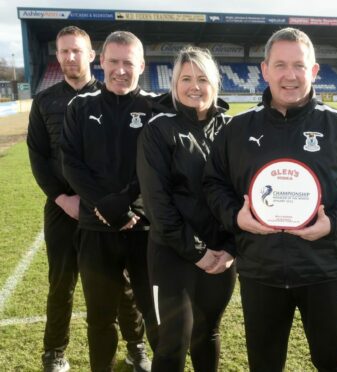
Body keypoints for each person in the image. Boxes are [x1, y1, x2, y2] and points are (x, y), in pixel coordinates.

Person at [204, 27, 337, 371]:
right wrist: (235, 217)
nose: (290, 75)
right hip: (261, 272)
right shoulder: (237, 129)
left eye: (299, 65)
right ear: (265, 70)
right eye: (280, 65)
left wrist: (333, 224)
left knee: (332, 361)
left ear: (313, 71)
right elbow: (213, 184)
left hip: (325, 270)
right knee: (265, 364)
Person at [27, 26, 151, 372]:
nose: (69, 58)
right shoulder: (46, 100)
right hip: (65, 206)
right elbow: (38, 155)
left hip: (110, 210)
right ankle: (54, 351)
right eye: (63, 52)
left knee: (123, 284)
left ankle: (136, 345)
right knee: (61, 280)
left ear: (91, 57)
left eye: (76, 51)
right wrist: (62, 197)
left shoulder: (112, 94)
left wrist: (115, 205)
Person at [61, 30, 159, 372]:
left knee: (156, 313)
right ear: (101, 62)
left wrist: (127, 203)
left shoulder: (155, 107)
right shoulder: (80, 106)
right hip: (95, 227)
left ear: (142, 65)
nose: (120, 70)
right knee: (100, 316)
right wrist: (105, 204)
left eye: (128, 63)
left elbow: (159, 165)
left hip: (143, 228)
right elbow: (71, 163)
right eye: (113, 61)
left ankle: (146, 355)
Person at [136, 46, 236, 372]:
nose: (195, 86)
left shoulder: (233, 131)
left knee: (208, 333)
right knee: (173, 342)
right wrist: (198, 252)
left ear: (216, 84)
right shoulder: (158, 129)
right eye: (186, 78)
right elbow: (157, 203)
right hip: (172, 255)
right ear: (174, 84)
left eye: (203, 78)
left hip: (221, 257)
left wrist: (230, 249)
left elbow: (246, 196)